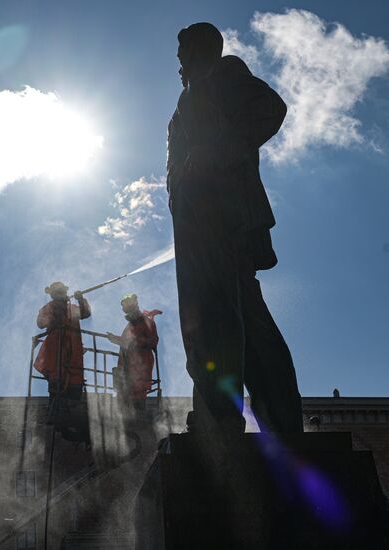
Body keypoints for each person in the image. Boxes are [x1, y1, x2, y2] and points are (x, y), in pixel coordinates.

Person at [167, 22, 303, 435]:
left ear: (200, 51)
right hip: (194, 226)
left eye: (183, 55)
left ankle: (221, 416)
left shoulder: (224, 74)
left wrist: (216, 151)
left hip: (224, 219)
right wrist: (178, 192)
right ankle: (276, 418)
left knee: (216, 314)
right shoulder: (183, 104)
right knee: (237, 315)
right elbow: (176, 163)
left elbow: (270, 108)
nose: (178, 65)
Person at [34, 281, 91, 401]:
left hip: (73, 349)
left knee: (74, 382)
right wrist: (54, 316)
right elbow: (40, 323)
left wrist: (80, 299)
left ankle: (71, 404)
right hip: (55, 349)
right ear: (53, 294)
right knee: (56, 380)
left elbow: (85, 313)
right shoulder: (49, 308)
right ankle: (55, 406)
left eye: (62, 291)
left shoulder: (72, 308)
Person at [107, 294, 161, 410]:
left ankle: (138, 419)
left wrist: (136, 342)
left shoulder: (146, 322)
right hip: (127, 367)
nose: (123, 309)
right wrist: (114, 339)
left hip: (139, 366)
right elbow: (125, 342)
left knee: (137, 397)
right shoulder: (130, 326)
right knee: (125, 396)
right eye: (123, 306)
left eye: (125, 305)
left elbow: (153, 340)